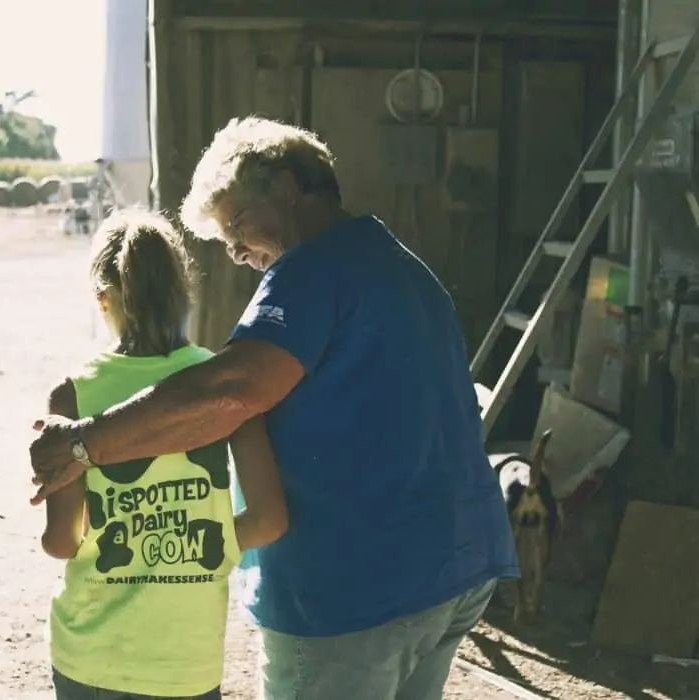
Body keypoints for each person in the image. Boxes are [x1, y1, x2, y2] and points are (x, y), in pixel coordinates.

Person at [29, 117, 519, 699]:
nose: (236, 253)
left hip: (360, 590)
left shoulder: (314, 269)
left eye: (236, 225)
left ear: (287, 189)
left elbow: (230, 391)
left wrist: (84, 443)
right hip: (451, 569)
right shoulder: (402, 267)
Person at [38, 208, 289, 700]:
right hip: (184, 660)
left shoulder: (72, 396)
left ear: (102, 298)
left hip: (91, 656)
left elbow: (62, 543)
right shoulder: (224, 380)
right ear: (182, 291)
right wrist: (200, 547)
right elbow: (269, 518)